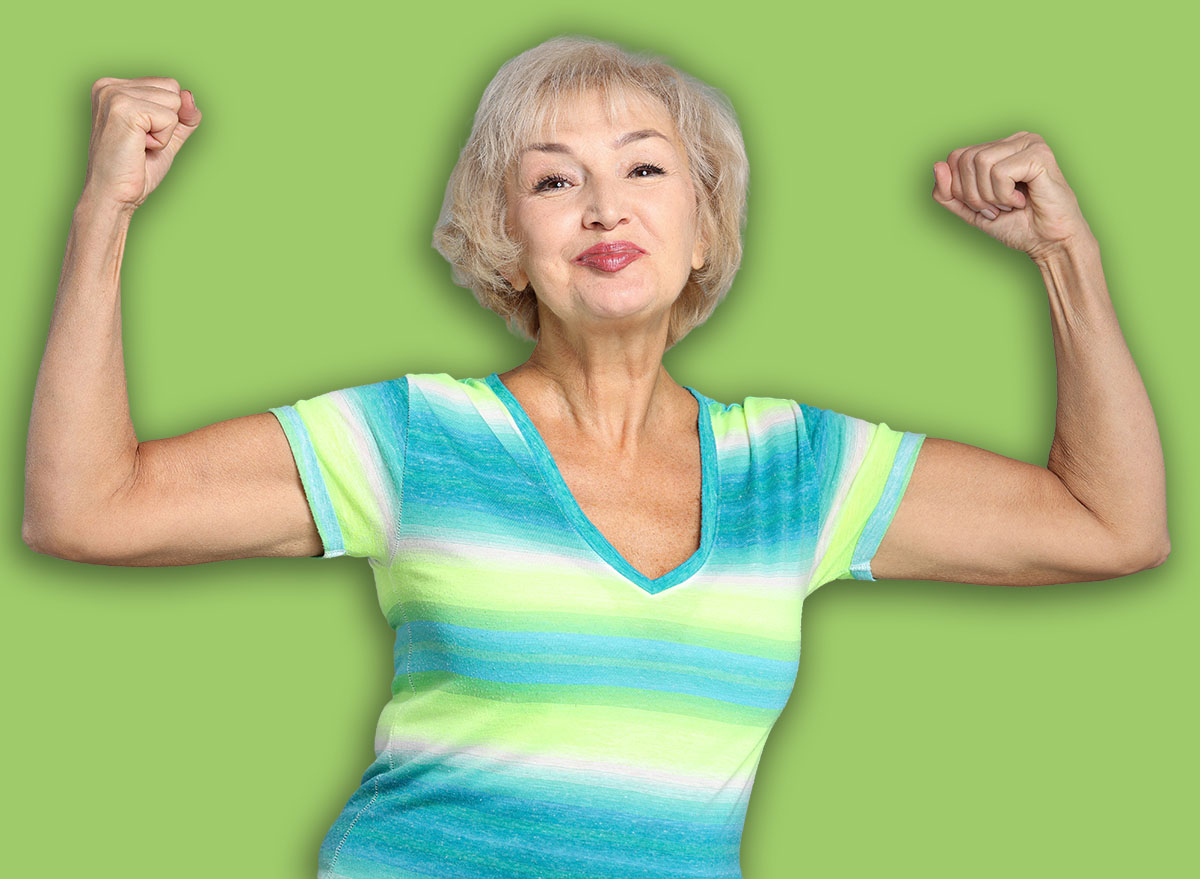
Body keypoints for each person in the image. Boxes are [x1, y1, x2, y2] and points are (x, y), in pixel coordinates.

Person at [23, 34, 1167, 879]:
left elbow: (1113, 526)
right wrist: (104, 215)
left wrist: (1067, 255)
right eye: (554, 178)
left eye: (646, 169)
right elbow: (86, 508)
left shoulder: (799, 470)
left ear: (707, 223)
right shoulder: (418, 436)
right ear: (505, 237)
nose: (604, 206)